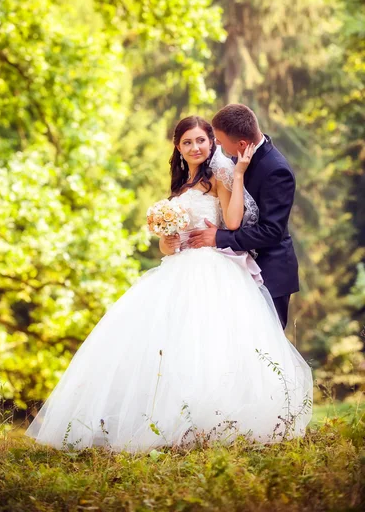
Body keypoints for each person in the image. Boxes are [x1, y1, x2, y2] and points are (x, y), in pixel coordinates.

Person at [25, 116, 312, 453]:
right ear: (178, 147)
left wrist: (236, 175)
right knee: (170, 344)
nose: (195, 147)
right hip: (177, 268)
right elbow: (167, 243)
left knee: (210, 343)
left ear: (212, 143)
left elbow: (233, 222)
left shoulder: (220, 176)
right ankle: (174, 424)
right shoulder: (179, 186)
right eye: (187, 142)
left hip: (211, 267)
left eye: (202, 141)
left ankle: (217, 422)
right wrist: (167, 241)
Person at [188, 104, 299, 329]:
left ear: (241, 144)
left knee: (266, 351)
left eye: (219, 140)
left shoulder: (276, 170)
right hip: (234, 273)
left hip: (270, 274)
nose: (216, 144)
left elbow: (271, 231)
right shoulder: (236, 157)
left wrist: (219, 238)